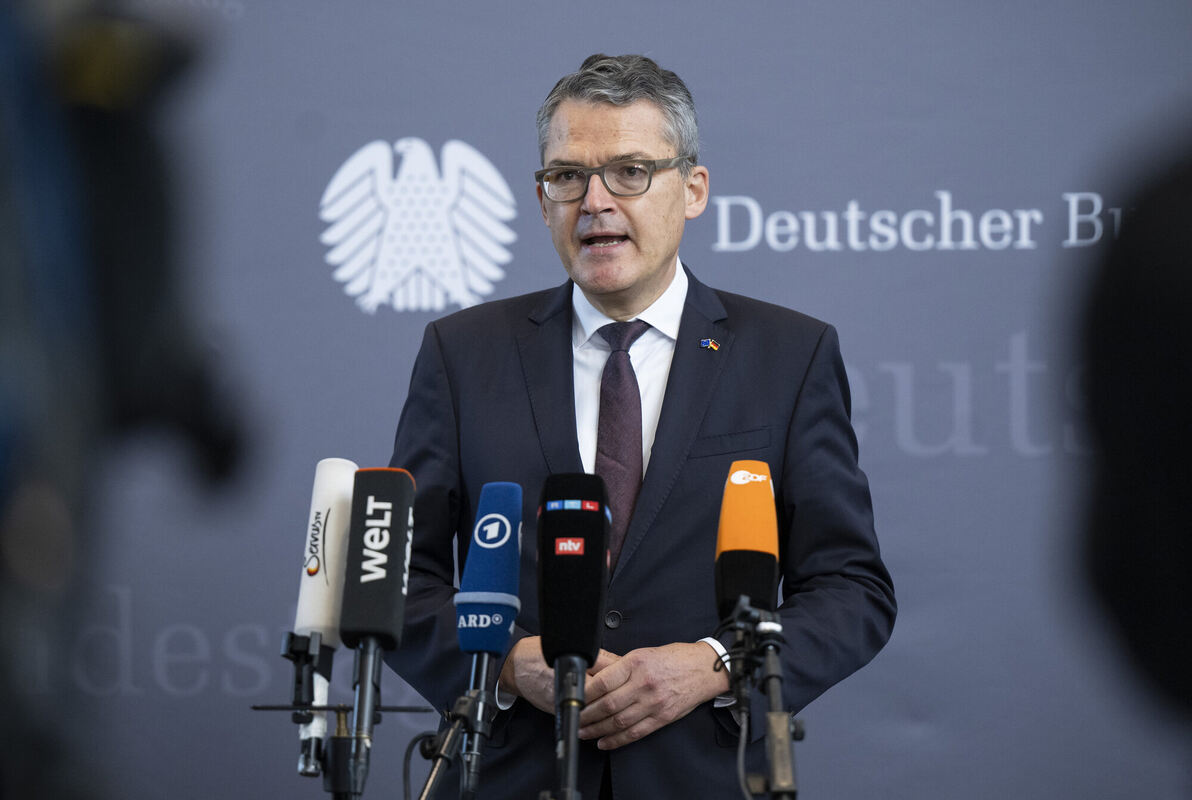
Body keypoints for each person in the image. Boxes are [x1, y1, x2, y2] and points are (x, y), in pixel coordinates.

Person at [384, 54, 896, 799]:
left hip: (702, 775)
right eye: (568, 176)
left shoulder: (789, 356)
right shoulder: (462, 354)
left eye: (629, 171)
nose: (594, 201)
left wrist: (718, 664)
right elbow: (397, 581)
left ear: (693, 189)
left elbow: (851, 590)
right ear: (542, 199)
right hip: (516, 774)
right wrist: (505, 663)